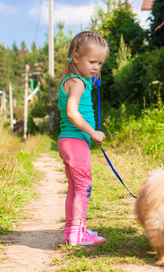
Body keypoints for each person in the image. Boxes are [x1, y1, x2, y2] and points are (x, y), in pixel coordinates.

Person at [57, 31, 109, 246]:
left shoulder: (75, 80)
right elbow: (72, 112)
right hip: (75, 140)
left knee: (75, 188)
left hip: (67, 141)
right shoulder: (77, 83)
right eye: (92, 61)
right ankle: (78, 234)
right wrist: (92, 132)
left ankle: (72, 231)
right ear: (76, 58)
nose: (96, 67)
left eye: (100, 63)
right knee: (84, 187)